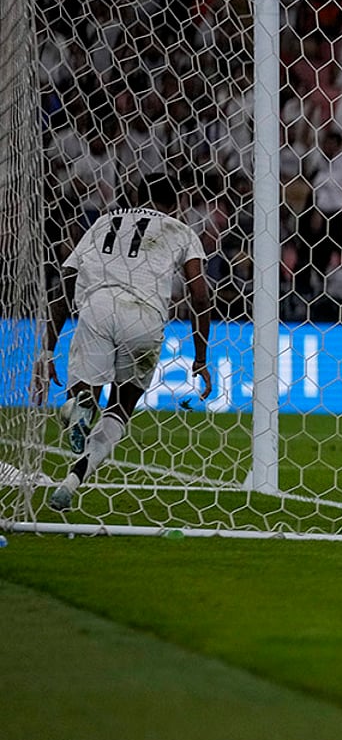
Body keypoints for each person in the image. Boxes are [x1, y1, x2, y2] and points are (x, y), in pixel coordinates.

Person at [33, 174, 213, 511]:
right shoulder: (179, 230)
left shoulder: (103, 222)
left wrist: (46, 350)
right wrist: (200, 357)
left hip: (96, 309)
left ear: (133, 195)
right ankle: (73, 481)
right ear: (174, 205)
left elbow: (64, 286)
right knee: (120, 408)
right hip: (145, 318)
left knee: (85, 393)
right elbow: (200, 296)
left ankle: (79, 405)